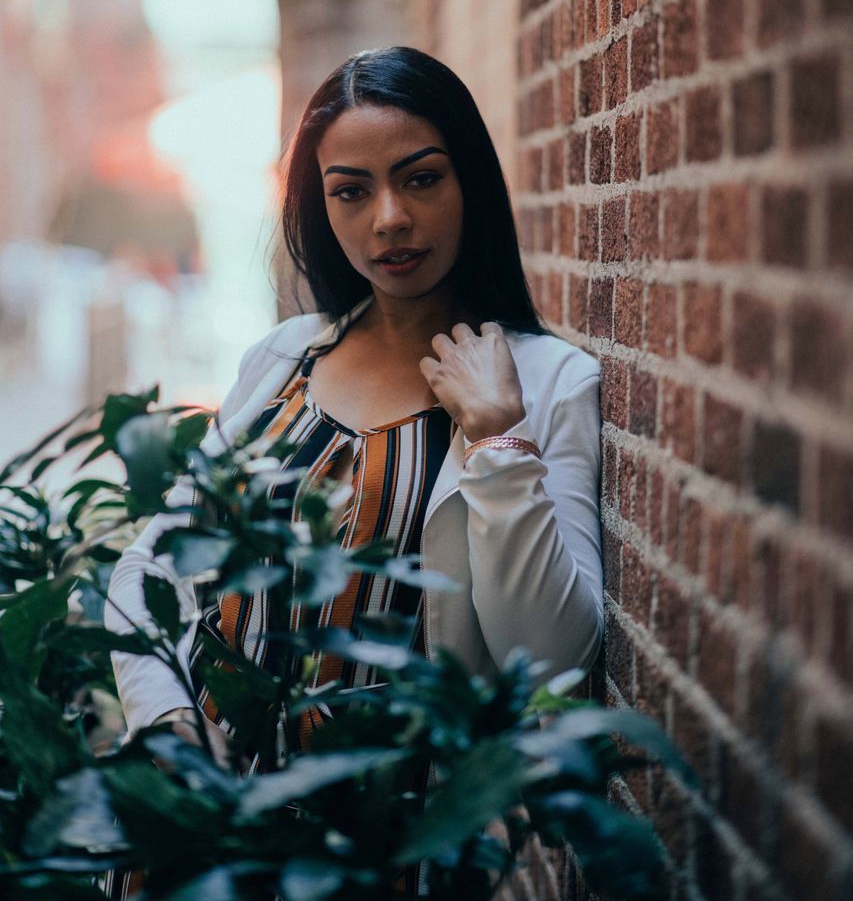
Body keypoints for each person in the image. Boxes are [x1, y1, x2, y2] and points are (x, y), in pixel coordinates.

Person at [103, 45, 603, 895]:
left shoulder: (544, 383)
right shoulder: (282, 359)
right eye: (351, 191)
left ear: (470, 184)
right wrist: (167, 723)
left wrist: (495, 440)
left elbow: (551, 654)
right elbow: (151, 566)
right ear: (319, 206)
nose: (389, 220)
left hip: (385, 855)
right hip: (200, 833)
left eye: (420, 179)